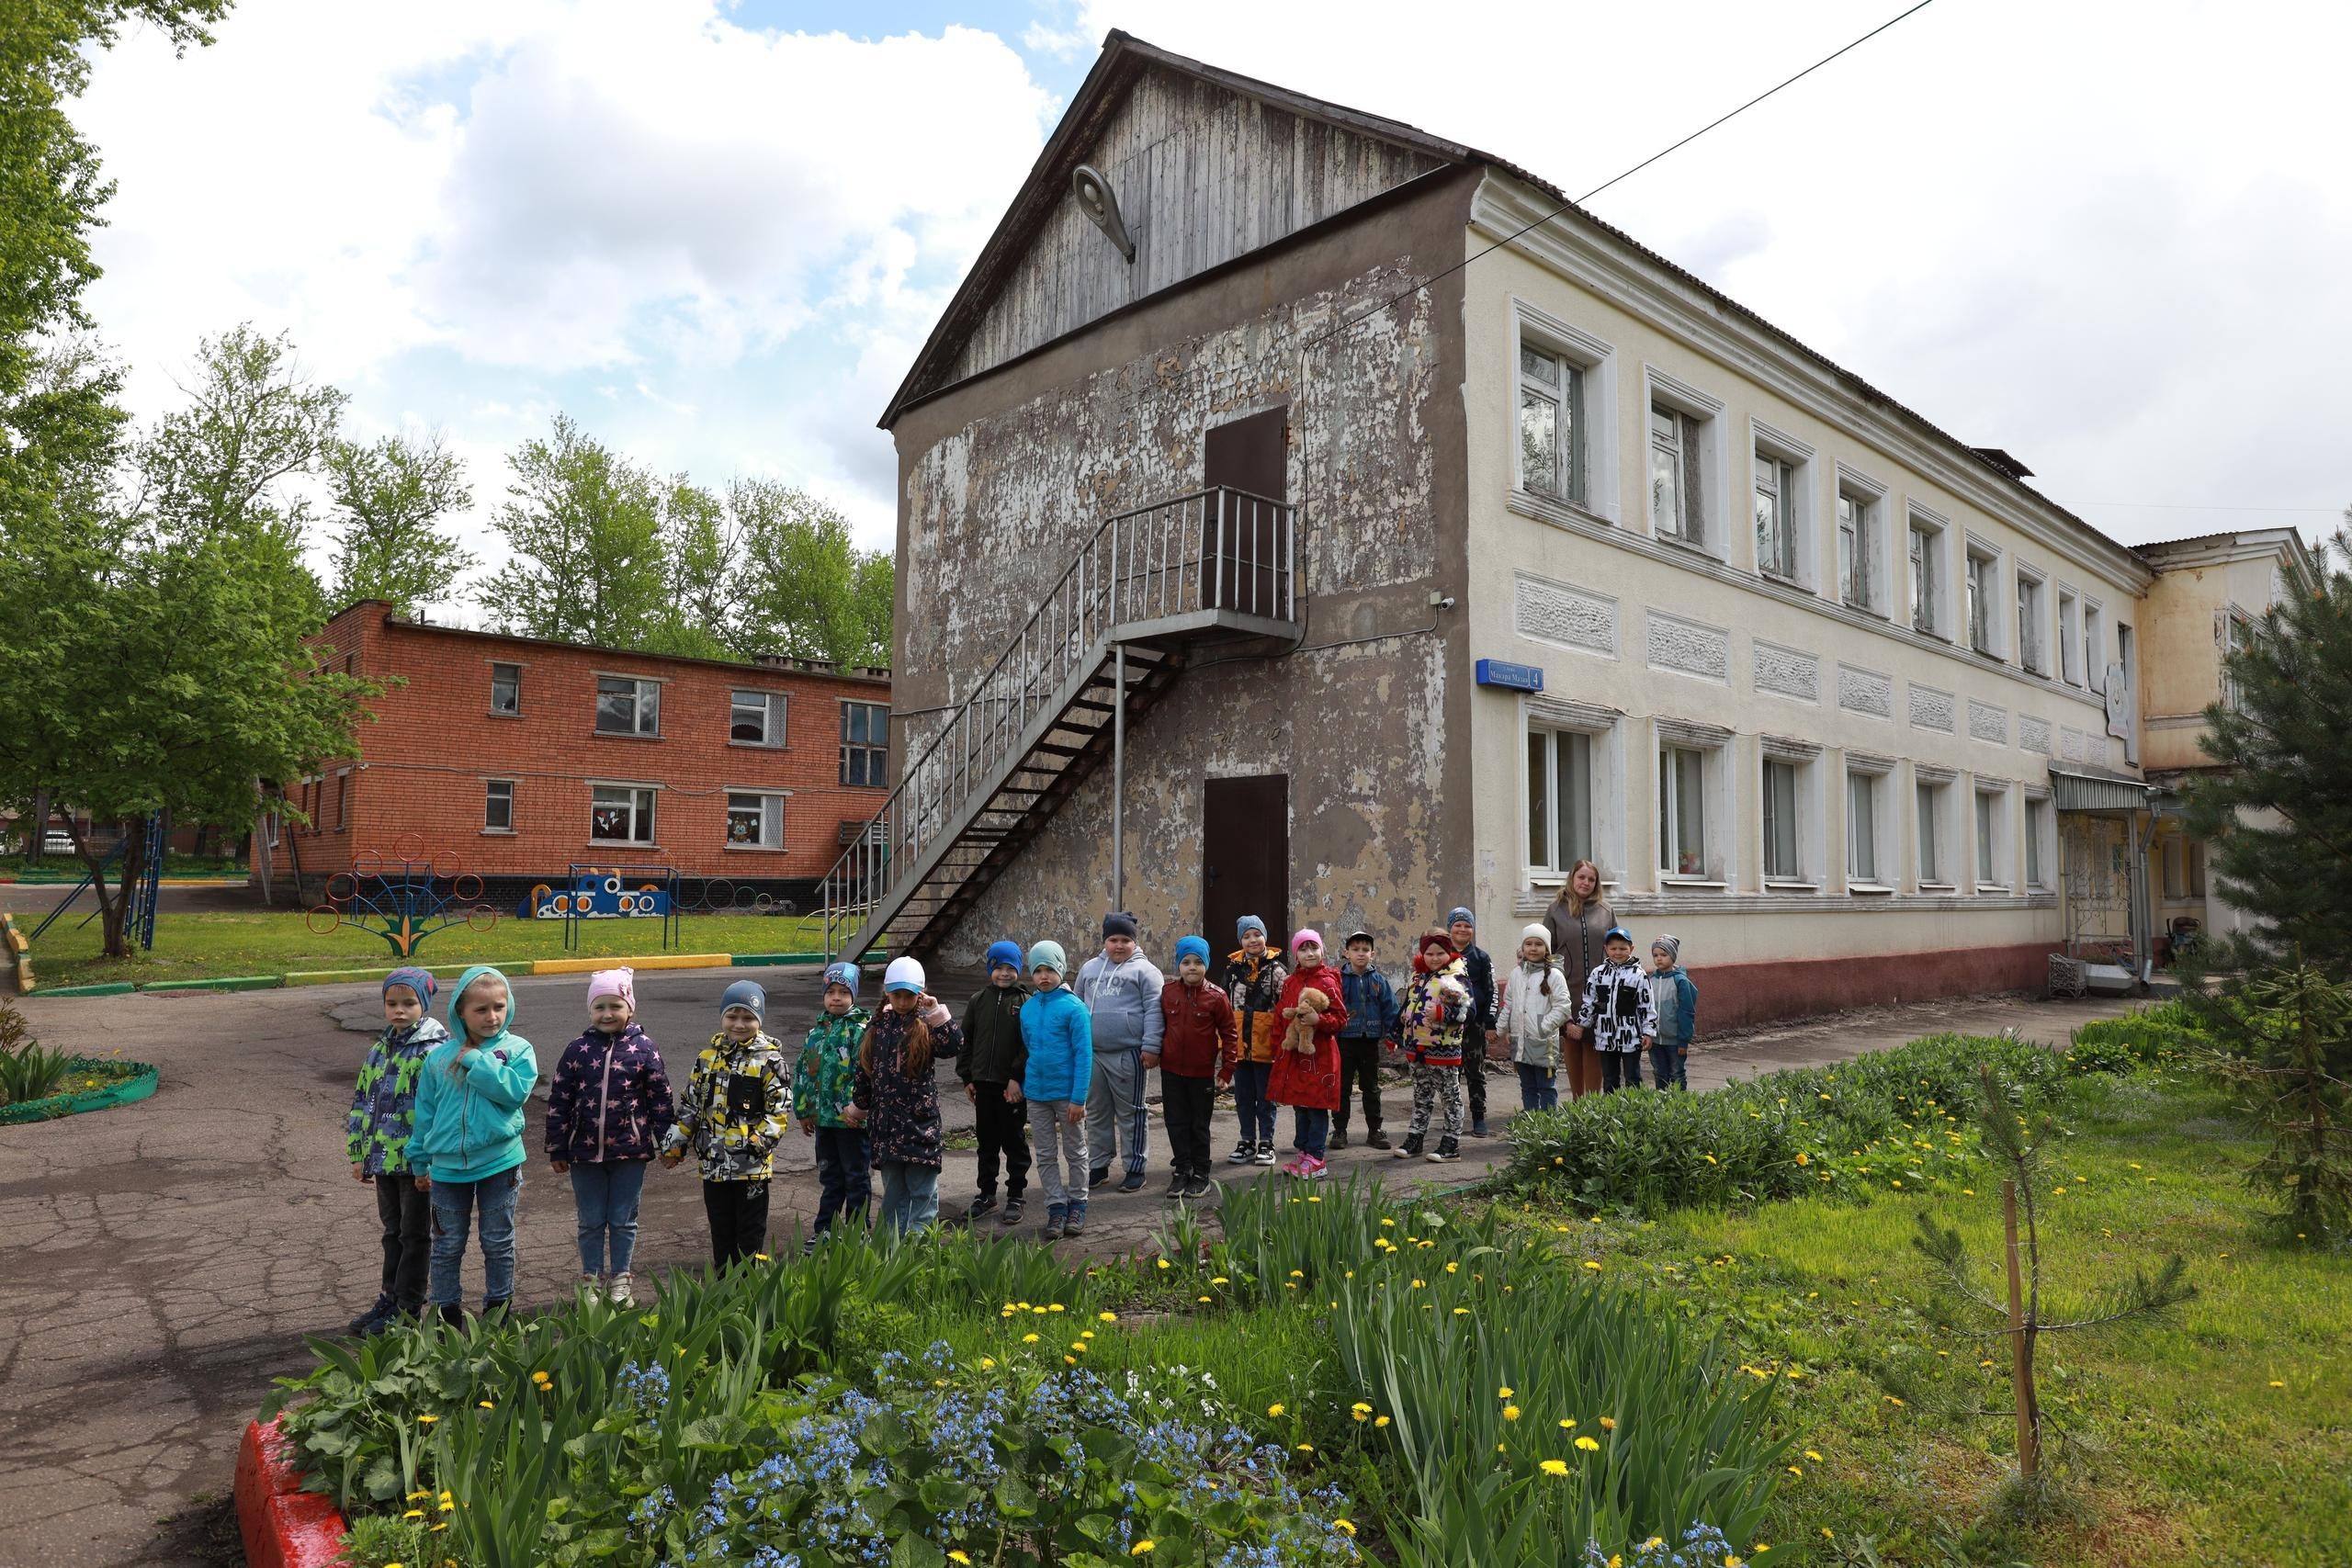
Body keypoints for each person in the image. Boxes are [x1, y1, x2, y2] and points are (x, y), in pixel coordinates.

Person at [409, 965, 537, 1326]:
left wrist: (476, 1061)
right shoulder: (438, 1058)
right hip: (448, 1168)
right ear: (460, 1012)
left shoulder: (517, 1050)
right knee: (447, 1245)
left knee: (497, 1241)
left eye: (499, 1006)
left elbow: (512, 1094)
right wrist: (419, 1162)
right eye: (481, 1010)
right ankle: (446, 1316)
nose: (491, 1016)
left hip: (500, 1162)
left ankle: (498, 1313)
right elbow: (425, 1113)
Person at [543, 968, 674, 1307]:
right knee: (589, 1220)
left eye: (615, 1006)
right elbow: (559, 1098)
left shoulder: (645, 1049)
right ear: (590, 1011)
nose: (607, 1014)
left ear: (630, 1008)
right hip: (582, 1152)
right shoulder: (577, 1049)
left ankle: (620, 1278)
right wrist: (557, 1146)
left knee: (623, 1219)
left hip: (630, 1150)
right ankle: (590, 1279)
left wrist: (669, 1143)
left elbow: (660, 1099)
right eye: (599, 1007)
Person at [343, 965, 447, 1336]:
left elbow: (437, 1111)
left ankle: (408, 1308)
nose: (399, 1010)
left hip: (416, 1163)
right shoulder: (379, 1049)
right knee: (392, 1232)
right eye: (391, 1003)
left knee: (414, 1235)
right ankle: (390, 1297)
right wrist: (359, 1153)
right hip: (383, 1159)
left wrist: (430, 1161)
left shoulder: (433, 1052)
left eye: (409, 1003)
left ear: (425, 1004)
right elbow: (362, 1102)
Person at [662, 980, 789, 1268]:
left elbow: (779, 1110)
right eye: (732, 1016)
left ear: (759, 1020)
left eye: (748, 1017)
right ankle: (723, 1292)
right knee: (721, 1232)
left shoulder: (770, 1061)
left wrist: (756, 1145)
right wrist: (673, 1146)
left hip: (751, 1169)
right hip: (713, 1166)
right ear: (722, 1018)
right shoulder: (706, 1060)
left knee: (750, 1235)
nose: (740, 1024)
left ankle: (750, 1293)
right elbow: (690, 1105)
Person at [853, 956, 961, 1238]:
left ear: (920, 994)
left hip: (919, 1129)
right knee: (893, 1196)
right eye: (897, 995)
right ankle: (891, 1254)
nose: (902, 1002)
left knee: (922, 1193)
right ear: (887, 992)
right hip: (886, 1130)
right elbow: (864, 1069)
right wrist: (860, 1105)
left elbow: (954, 1045)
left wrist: (936, 1011)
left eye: (909, 996)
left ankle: (920, 1253)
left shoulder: (925, 1023)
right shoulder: (877, 1026)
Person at [1075, 912, 1164, 1193]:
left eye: (1125, 940)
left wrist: (1151, 1046)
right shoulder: (1089, 969)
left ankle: (1135, 1167)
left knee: (1131, 1113)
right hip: (1093, 1055)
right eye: (1113, 939)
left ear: (1134, 943)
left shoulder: (1146, 972)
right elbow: (1076, 1007)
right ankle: (1099, 1165)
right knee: (1098, 1111)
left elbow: (1154, 1010)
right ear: (1104, 941)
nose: (1118, 945)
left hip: (1129, 1055)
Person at [1018, 941, 1092, 1240]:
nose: (1044, 976)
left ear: (1060, 969)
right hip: (1037, 1094)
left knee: (1075, 1151)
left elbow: (1085, 1056)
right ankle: (1056, 1207)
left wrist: (1079, 1098)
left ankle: (1078, 1204)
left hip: (1067, 1096)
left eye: (1050, 969)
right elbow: (1029, 1047)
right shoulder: (1028, 1008)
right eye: (1037, 970)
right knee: (1046, 1154)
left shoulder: (1075, 1008)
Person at [794, 961, 871, 1245]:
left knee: (856, 1176)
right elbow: (803, 1071)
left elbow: (864, 1072)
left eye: (843, 992)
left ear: (854, 995)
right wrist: (804, 1110)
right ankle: (824, 1229)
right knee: (830, 1177)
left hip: (851, 1121)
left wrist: (858, 1107)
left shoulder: (860, 1030)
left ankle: (858, 1228)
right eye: (831, 992)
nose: (836, 997)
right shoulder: (817, 1032)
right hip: (823, 1121)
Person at [1157, 934, 1238, 1200]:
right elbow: (1159, 1028)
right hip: (1170, 1072)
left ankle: (1201, 1172)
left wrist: (1226, 1070)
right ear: (1179, 965)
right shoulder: (1168, 992)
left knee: (1198, 1125)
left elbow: (1229, 1034)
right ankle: (1182, 1168)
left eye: (1198, 962)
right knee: (1175, 1122)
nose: (1192, 967)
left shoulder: (1217, 997)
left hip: (1201, 1074)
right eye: (1186, 962)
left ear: (1206, 965)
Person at [957, 941, 1032, 1225]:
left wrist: (1016, 1078)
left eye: (1010, 968)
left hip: (1011, 1088)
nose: (1004, 974)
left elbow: (1028, 1045)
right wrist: (967, 1077)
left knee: (1014, 1142)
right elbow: (967, 1040)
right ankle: (986, 1194)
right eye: (998, 967)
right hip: (983, 1085)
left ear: (1018, 970)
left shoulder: (1025, 1002)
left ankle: (1016, 1195)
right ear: (990, 968)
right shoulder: (979, 1000)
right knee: (986, 1143)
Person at [1269, 930, 1349, 1179]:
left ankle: (1316, 1157)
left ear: (1322, 951)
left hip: (1321, 1055)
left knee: (1316, 1107)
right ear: (1296, 955)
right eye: (1303, 949)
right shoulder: (1290, 983)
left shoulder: (1328, 981)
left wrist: (1319, 1020)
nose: (1309, 953)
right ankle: (1303, 1152)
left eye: (1314, 948)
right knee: (1300, 1106)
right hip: (1295, 1056)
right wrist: (1277, 1048)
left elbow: (1340, 1018)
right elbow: (1281, 1016)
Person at [1394, 931, 1473, 1163]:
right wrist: (1394, 1032)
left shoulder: (1457, 977)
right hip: (1417, 1048)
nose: (1435, 958)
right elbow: (1407, 1006)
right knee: (1421, 1095)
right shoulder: (1419, 977)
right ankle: (1415, 1138)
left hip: (1444, 1050)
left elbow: (1470, 1012)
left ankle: (1451, 1143)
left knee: (1450, 1096)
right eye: (1430, 953)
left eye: (1440, 953)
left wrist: (1442, 1013)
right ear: (1422, 954)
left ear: (1449, 953)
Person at [1543, 860, 1616, 1099]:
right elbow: (1547, 949)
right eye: (1581, 877)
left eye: (1591, 879)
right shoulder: (1555, 910)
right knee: (1572, 1042)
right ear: (1572, 879)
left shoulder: (1606, 911)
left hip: (1599, 991)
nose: (1586, 883)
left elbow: (1616, 947)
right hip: (1567, 988)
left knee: (1594, 1044)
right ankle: (1577, 1099)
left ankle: (1593, 1103)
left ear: (1596, 883)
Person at [1219, 914, 1288, 1166]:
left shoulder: (1277, 971)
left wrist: (1282, 1042)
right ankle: (1246, 1140)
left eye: (1257, 934)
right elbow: (1224, 1006)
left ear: (1265, 938)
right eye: (1246, 936)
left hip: (1266, 1044)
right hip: (1239, 1044)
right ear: (1240, 941)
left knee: (1266, 1097)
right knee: (1243, 1096)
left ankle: (1266, 1143)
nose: (1252, 940)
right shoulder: (1232, 970)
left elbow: (1285, 1006)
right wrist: (1222, 1043)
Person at [1495, 926, 1573, 1112]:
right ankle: (1531, 1122)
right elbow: (1509, 1004)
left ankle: (1547, 1123)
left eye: (1539, 944)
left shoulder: (1555, 976)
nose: (1533, 948)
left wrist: (1543, 1026)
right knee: (1527, 1086)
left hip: (1543, 1041)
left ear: (1546, 949)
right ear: (1523, 948)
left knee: (1546, 1086)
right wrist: (1499, 1029)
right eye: (1528, 944)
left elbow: (1563, 1007)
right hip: (1520, 1041)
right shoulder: (1516, 974)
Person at [1332, 931, 1398, 1151]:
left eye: (1365, 950)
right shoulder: (1338, 980)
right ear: (1346, 953)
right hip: (1345, 1041)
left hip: (1370, 1041)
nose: (1360, 954)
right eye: (1355, 950)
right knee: (1342, 1088)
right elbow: (1332, 1008)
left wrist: (1392, 1034)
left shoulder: (1378, 980)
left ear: (1373, 953)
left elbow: (1390, 1009)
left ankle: (1375, 1131)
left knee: (1371, 1087)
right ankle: (1339, 1131)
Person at [1577, 926, 1658, 1093]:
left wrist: (1648, 1032)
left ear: (1631, 949)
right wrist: (1581, 1024)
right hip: (1605, 1037)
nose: (1618, 952)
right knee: (1609, 1078)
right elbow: (1590, 1001)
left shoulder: (1639, 975)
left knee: (1633, 1077)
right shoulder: (1598, 974)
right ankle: (1611, 1112)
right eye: (1613, 948)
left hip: (1631, 1037)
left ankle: (1634, 1110)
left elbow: (1647, 1005)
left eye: (1623, 948)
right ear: (1606, 949)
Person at [1448, 907, 1498, 1136]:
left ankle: (1479, 1117)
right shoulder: (1441, 956)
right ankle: (1452, 1118)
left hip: (1475, 1026)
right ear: (1450, 928)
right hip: (1447, 1027)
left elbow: (1491, 991)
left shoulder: (1481, 957)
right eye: (1458, 925)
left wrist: (1490, 1023)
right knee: (1450, 1074)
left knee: (1476, 1073)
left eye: (1467, 925)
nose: (1462, 929)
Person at [1646, 935, 1700, 1090]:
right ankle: (1662, 1107)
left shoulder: (1681, 981)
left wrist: (1684, 1041)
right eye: (1655, 955)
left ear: (1673, 956)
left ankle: (1678, 1105)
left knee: (1677, 1074)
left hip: (1675, 1042)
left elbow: (1687, 1012)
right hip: (1655, 1041)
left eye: (1664, 955)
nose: (1659, 959)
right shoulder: (1650, 980)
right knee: (1659, 1073)